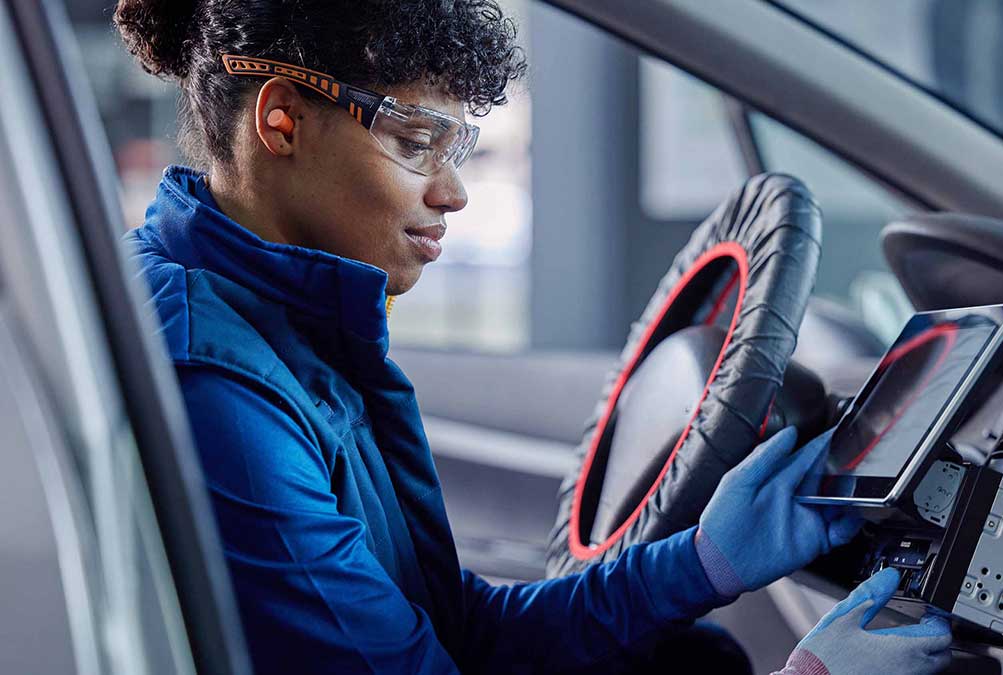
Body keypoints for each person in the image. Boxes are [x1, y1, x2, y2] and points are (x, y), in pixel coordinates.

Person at [114, 1, 952, 672]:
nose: (452, 193)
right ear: (282, 122)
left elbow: (455, 629)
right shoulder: (216, 388)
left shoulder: (283, 323)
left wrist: (702, 562)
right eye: (415, 141)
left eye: (457, 147)